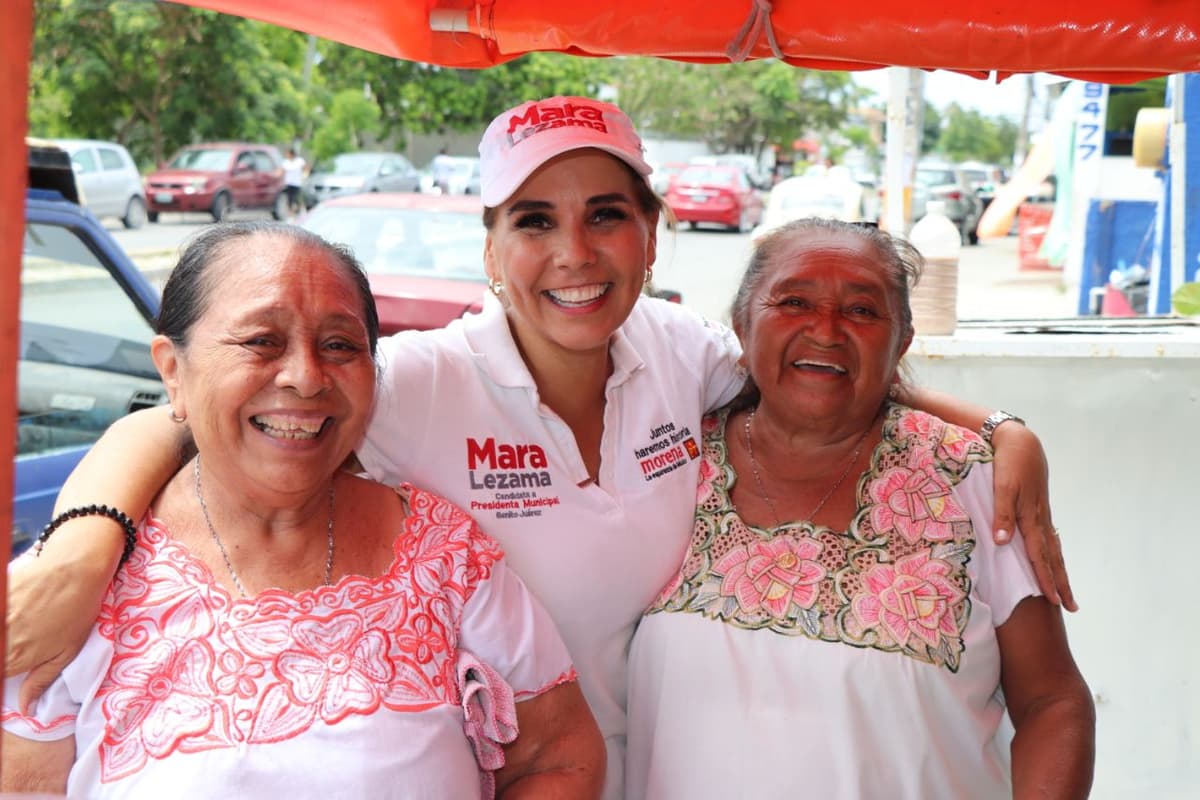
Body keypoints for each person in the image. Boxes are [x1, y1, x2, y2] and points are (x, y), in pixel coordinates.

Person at [5, 97, 1073, 800]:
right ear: (489, 246)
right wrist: (83, 545)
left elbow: (814, 361)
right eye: (532, 219)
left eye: (606, 213)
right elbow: (190, 413)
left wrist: (995, 430)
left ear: (651, 236)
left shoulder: (680, 353)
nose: (573, 253)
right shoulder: (412, 383)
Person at [1, 222, 604, 798]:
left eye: (339, 345)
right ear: (173, 371)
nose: (305, 377)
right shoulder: (72, 593)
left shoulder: (447, 559)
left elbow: (561, 756)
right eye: (261, 341)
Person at [625, 218, 1095, 799]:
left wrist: (1007, 431)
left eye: (863, 311)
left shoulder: (967, 478)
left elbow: (1053, 702)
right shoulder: (668, 465)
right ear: (742, 326)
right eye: (794, 300)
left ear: (901, 341)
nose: (825, 330)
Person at [281, 147, 306, 215]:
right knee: (289, 199)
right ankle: (290, 213)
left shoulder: (299, 161)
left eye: (288, 154)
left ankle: (299, 210)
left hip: (297, 183)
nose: (287, 155)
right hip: (289, 183)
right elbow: (282, 171)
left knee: (297, 198)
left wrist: (305, 175)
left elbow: (305, 168)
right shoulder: (286, 162)